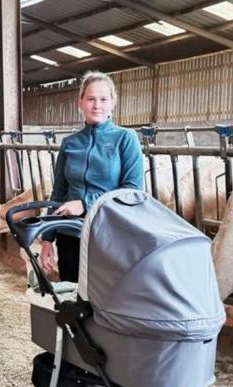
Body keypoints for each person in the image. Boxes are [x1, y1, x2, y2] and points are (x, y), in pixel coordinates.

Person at [40, 71, 144, 282]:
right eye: (90, 99)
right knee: (72, 301)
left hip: (108, 236)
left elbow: (132, 190)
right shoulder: (70, 143)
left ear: (112, 103)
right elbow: (59, 191)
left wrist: (86, 204)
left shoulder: (125, 139)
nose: (97, 105)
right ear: (80, 102)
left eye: (104, 99)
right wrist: (47, 238)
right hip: (69, 234)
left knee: (105, 303)